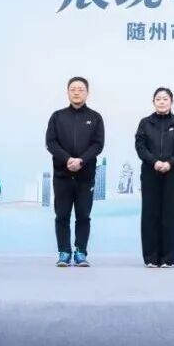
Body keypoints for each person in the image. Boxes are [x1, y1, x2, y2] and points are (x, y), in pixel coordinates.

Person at [45, 77, 105, 268]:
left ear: (87, 92)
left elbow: (98, 144)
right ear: (68, 92)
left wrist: (81, 160)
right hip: (62, 175)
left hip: (85, 175)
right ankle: (64, 252)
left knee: (83, 216)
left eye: (80, 89)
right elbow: (51, 142)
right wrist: (67, 160)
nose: (76, 92)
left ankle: (80, 252)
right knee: (62, 215)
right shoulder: (57, 116)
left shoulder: (95, 118)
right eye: (73, 89)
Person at [136, 87, 174, 268]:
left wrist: (170, 162)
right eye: (158, 99)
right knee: (150, 215)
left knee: (170, 215)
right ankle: (151, 258)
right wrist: (154, 162)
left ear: (171, 102)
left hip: (171, 173)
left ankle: (168, 258)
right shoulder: (145, 123)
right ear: (153, 102)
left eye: (165, 99)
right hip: (150, 173)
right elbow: (140, 147)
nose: (161, 102)